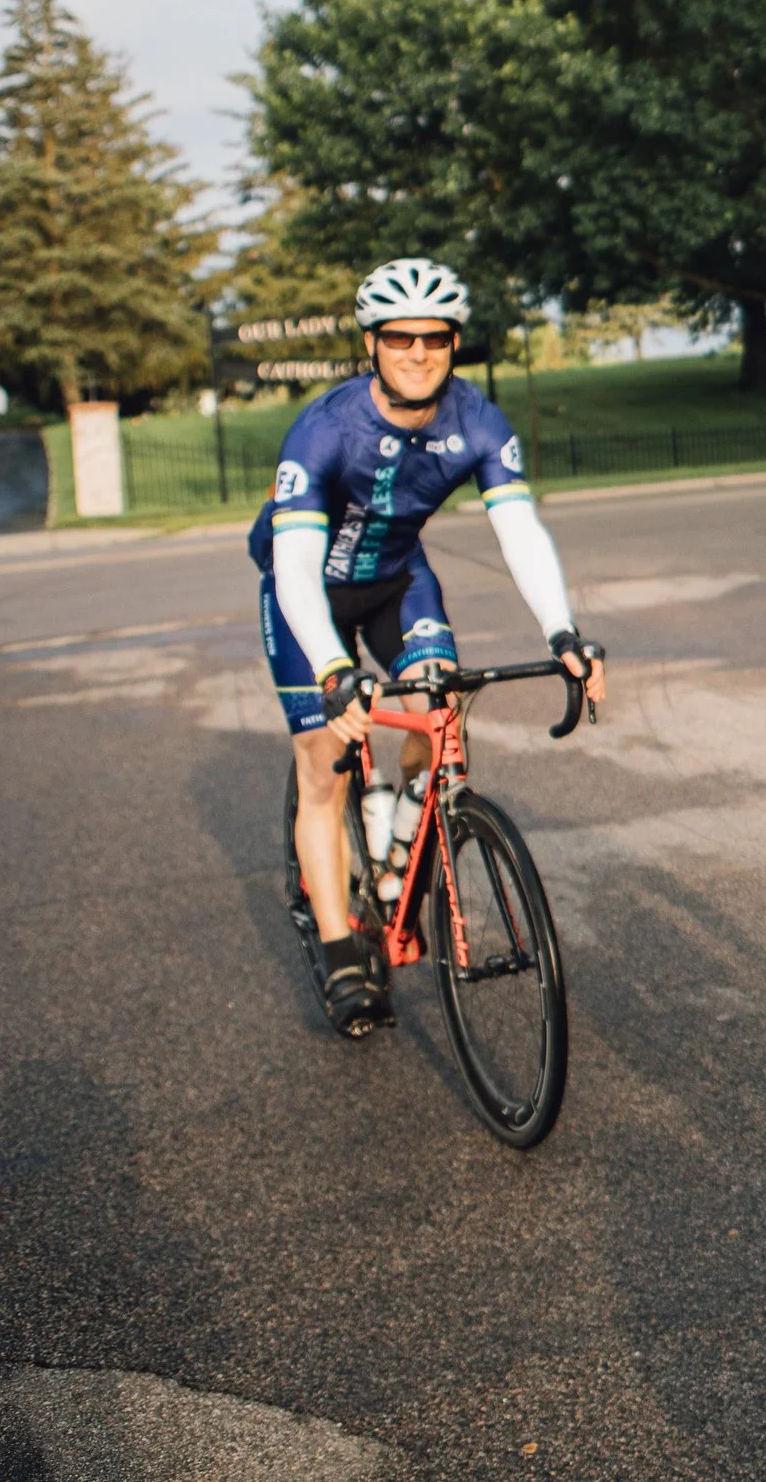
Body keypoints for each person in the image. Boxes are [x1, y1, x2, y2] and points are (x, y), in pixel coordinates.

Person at [253, 258, 608, 1037]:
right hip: (307, 589)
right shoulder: (324, 429)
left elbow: (518, 529)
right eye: (401, 337)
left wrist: (563, 631)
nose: (419, 352)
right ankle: (343, 944)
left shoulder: (477, 420)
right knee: (324, 760)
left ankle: (409, 816)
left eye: (436, 338)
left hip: (396, 581)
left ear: (454, 342)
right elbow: (296, 571)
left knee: (442, 706)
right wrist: (334, 671)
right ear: (373, 344)